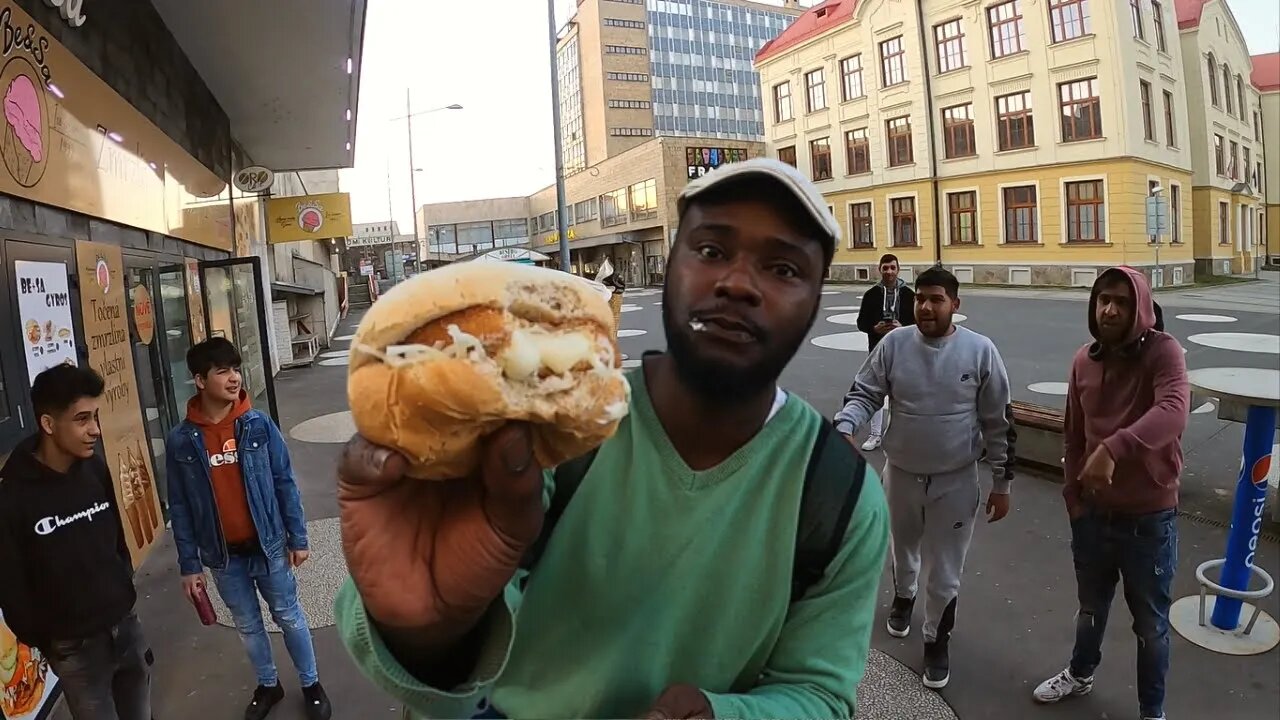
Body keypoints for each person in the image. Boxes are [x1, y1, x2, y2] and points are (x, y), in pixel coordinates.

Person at [334, 158, 890, 719]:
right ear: (670, 267)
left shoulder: (839, 496)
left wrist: (726, 715)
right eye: (712, 251)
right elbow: (440, 651)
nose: (738, 283)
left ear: (818, 301)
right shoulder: (547, 430)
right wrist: (430, 637)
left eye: (784, 268)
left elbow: (820, 695)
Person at [834, 266, 1016, 690]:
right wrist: (845, 426)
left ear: (955, 304)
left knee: (947, 569)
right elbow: (865, 393)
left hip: (956, 479)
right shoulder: (895, 344)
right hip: (901, 472)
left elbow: (998, 421)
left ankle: (936, 638)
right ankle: (903, 597)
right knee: (903, 547)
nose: (927, 307)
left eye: (937, 299)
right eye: (920, 298)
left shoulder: (980, 351)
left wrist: (1002, 484)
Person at [1033, 267, 1188, 720]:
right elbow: (1073, 436)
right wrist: (1073, 498)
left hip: (1149, 521)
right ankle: (1081, 674)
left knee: (1150, 626)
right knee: (1090, 608)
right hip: (1093, 517)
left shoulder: (1164, 352)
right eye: (1103, 299)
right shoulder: (1084, 359)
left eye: (1121, 300)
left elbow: (1174, 411)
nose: (1110, 308)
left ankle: (1152, 711)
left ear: (1140, 305)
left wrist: (1116, 448)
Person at [166, 339, 331, 720]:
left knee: (288, 615)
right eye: (222, 370)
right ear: (199, 380)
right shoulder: (181, 441)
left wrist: (298, 537)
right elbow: (181, 506)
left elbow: (284, 481)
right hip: (224, 557)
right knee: (247, 626)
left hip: (269, 546)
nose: (234, 377)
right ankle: (268, 685)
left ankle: (311, 684)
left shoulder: (257, 424)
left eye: (235, 369)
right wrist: (189, 565)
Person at [0, 364, 151, 720]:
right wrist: (52, 640)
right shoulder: (12, 496)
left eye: (96, 417)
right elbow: (11, 586)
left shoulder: (94, 468)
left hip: (126, 626)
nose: (95, 430)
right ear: (49, 424)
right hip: (75, 649)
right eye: (82, 419)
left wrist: (122, 591)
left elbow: (116, 541)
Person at [853, 253, 916, 451]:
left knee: (902, 393)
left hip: (904, 350)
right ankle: (875, 435)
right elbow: (861, 322)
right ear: (879, 270)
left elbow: (917, 323)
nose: (889, 272)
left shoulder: (909, 295)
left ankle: (900, 434)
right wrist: (874, 328)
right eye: (885, 268)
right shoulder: (871, 294)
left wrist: (902, 327)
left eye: (892, 268)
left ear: (898, 269)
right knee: (875, 391)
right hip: (877, 349)